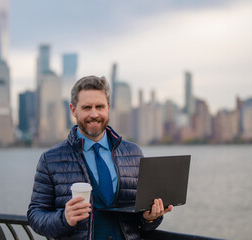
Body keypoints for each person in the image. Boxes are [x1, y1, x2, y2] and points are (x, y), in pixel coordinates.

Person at [27, 75, 173, 240]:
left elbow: (141, 218)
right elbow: (35, 216)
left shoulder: (134, 154)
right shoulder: (50, 159)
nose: (94, 114)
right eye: (87, 107)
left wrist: (151, 217)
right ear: (73, 110)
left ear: (108, 108)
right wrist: (64, 219)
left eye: (100, 107)